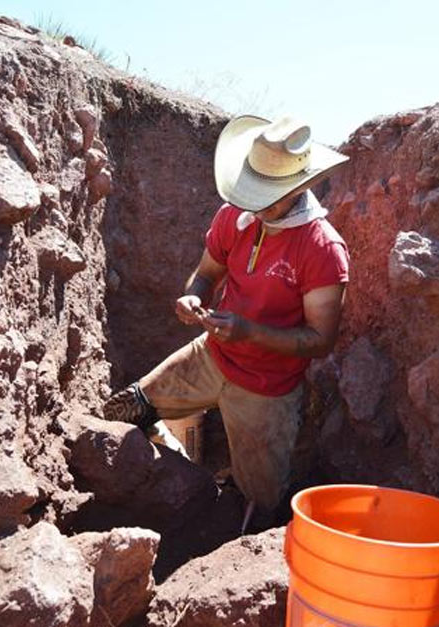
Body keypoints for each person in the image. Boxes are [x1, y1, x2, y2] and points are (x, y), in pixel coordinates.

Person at [103, 114, 349, 529]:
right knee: (124, 411)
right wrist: (193, 297)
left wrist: (250, 332)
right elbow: (206, 274)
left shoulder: (322, 248)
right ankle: (181, 463)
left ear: (299, 187)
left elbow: (321, 340)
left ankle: (233, 491)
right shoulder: (234, 216)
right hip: (212, 355)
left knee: (260, 512)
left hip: (268, 389)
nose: (253, 204)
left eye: (267, 196)